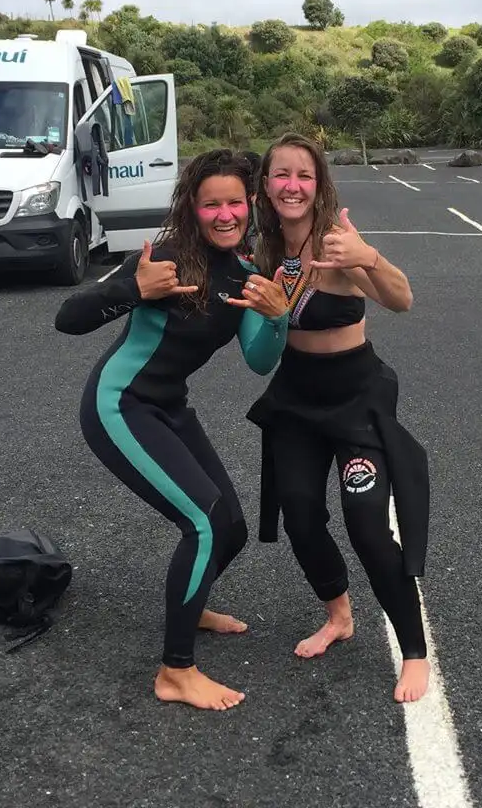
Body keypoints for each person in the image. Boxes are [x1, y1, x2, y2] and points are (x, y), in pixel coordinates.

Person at [55, 149, 289, 711]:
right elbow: (69, 319)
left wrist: (276, 315)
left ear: (250, 203)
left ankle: (192, 601)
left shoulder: (246, 274)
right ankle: (175, 671)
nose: (226, 214)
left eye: (235, 201)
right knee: (205, 522)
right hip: (120, 404)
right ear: (193, 207)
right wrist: (134, 291)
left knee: (229, 527)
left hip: (169, 406)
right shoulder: (162, 259)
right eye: (213, 204)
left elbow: (259, 360)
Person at [246, 132, 432, 703]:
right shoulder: (262, 251)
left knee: (367, 524)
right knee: (300, 514)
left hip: (356, 395)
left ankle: (415, 651)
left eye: (304, 175)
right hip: (297, 398)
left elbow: (402, 300)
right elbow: (258, 354)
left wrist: (368, 257)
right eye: (281, 174)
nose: (292, 185)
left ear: (319, 184)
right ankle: (339, 614)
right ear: (267, 185)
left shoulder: (339, 243)